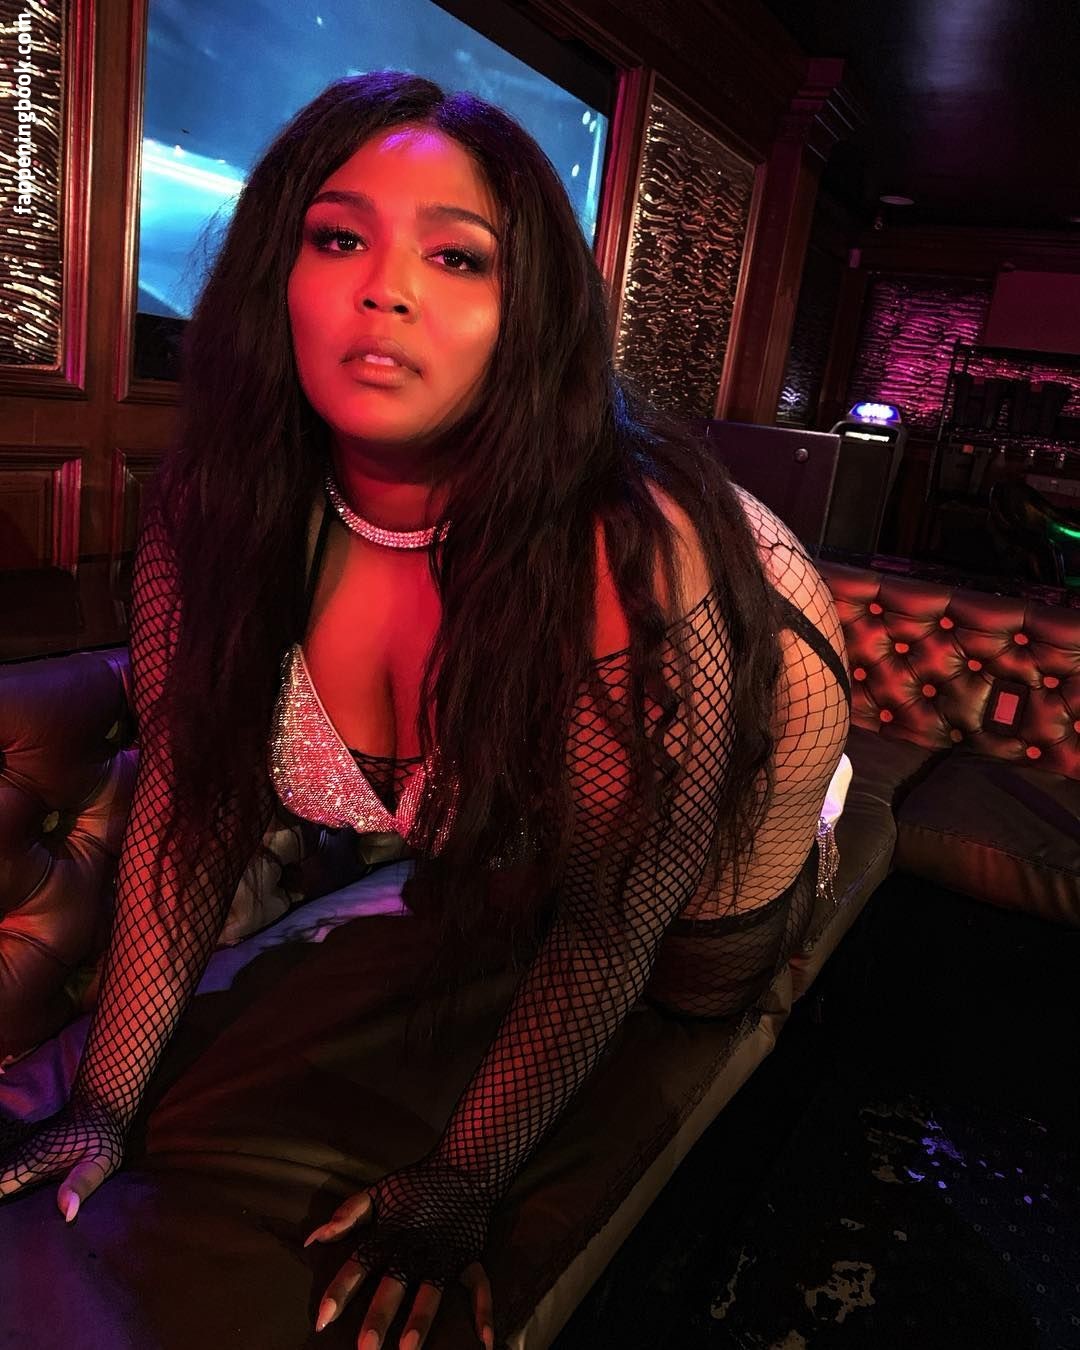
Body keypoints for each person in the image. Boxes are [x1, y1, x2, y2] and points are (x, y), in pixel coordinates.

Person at [0, 71, 850, 1350]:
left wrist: (458, 1184)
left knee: (697, 985)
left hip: (755, 755)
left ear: (530, 315)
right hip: (564, 794)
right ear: (277, 277)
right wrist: (103, 1105)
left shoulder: (629, 552)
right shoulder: (217, 511)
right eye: (338, 238)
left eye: (457, 257)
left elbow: (612, 920)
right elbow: (183, 807)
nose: (384, 288)